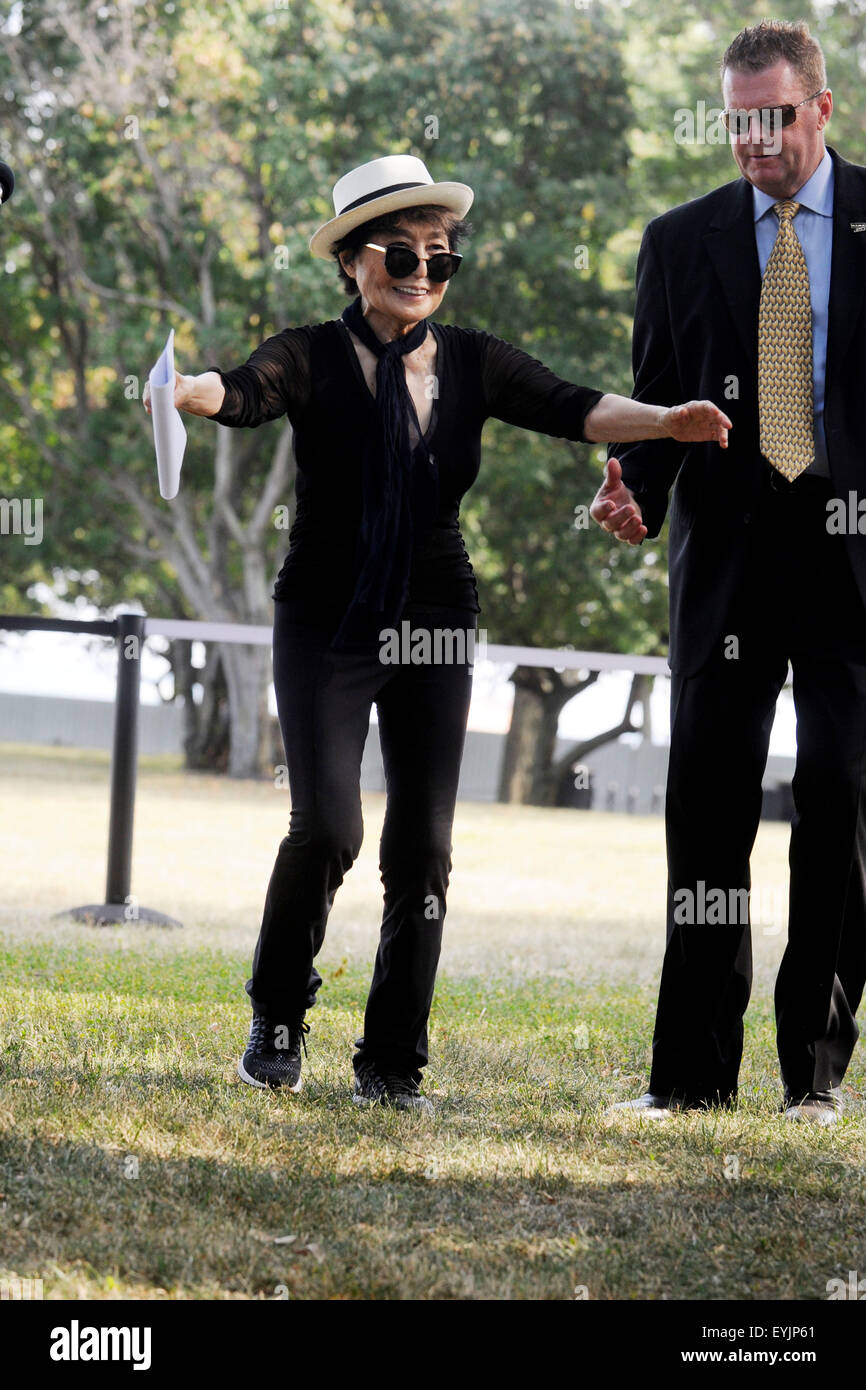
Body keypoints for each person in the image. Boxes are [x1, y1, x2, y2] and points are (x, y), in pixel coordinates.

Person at [145, 153, 730, 1113]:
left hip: (437, 613)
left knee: (423, 849)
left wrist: (665, 420)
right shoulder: (312, 353)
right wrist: (189, 392)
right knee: (328, 826)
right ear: (351, 262)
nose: (420, 271)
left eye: (439, 257)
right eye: (399, 253)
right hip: (327, 613)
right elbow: (244, 390)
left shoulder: (471, 360)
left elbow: (574, 406)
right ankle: (277, 1018)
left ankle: (390, 1063)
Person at [592, 21, 866, 1125]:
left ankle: (814, 1071)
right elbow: (656, 403)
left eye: (773, 117)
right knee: (706, 815)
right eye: (735, 120)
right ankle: (690, 1075)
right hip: (727, 569)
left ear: (820, 108)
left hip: (854, 568)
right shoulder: (679, 238)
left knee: (842, 806)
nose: (753, 139)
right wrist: (632, 493)